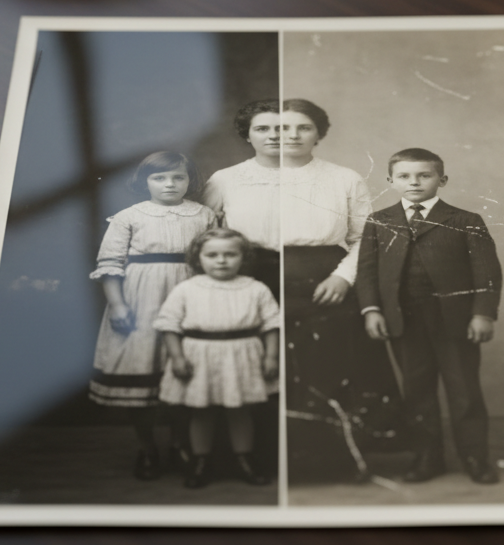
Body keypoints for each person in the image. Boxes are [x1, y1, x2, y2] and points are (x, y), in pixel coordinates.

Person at [356, 148, 503, 484]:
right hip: (402, 318)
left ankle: (475, 459)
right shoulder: (380, 220)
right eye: (405, 176)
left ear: (442, 179)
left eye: (424, 175)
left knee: (464, 390)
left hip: (454, 319)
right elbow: (366, 272)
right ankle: (428, 459)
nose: (415, 182)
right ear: (391, 181)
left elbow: (487, 273)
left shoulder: (466, 220)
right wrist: (371, 309)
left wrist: (483, 314)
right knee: (417, 390)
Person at [280, 99, 401, 480]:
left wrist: (342, 278)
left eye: (303, 127)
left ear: (319, 134)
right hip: (262, 278)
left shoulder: (344, 178)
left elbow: (365, 238)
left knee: (329, 366)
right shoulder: (234, 179)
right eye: (282, 128)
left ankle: (339, 458)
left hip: (327, 278)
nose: (292, 135)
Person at [89, 151, 216, 479]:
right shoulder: (128, 217)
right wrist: (118, 305)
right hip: (141, 302)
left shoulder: (204, 215)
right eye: (159, 178)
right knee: (142, 374)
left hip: (191, 299)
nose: (170, 184)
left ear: (190, 180)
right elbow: (110, 265)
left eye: (178, 177)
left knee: (184, 375)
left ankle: (179, 444)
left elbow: (216, 260)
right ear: (144, 181)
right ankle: (147, 448)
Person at [154, 229, 280, 489]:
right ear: (198, 258)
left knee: (240, 411)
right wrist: (177, 357)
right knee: (202, 411)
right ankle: (201, 461)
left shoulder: (255, 288)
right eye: (212, 255)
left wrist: (271, 356)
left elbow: (271, 324)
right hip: (199, 355)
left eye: (230, 254)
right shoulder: (186, 289)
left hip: (242, 355)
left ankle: (245, 459)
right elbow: (169, 325)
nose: (221, 260)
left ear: (242, 257)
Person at [201, 99, 281, 299]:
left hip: (301, 272)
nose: (273, 136)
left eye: (281, 128)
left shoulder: (314, 178)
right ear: (247, 135)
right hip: (246, 269)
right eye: (262, 129)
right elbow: (203, 229)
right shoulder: (224, 179)